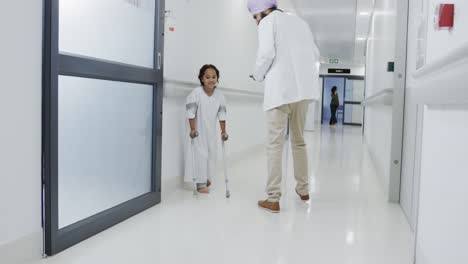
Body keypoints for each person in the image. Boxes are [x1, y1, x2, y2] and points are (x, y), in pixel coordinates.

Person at [247, 0, 321, 212]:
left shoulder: (268, 22)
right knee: (299, 141)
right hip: (302, 92)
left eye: (254, 16)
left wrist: (257, 74)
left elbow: (266, 53)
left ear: (262, 11)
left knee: (274, 145)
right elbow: (315, 55)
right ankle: (304, 189)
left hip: (280, 92)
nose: (255, 21)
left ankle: (273, 197)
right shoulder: (300, 23)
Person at [184, 64, 228, 193]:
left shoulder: (220, 95)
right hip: (199, 130)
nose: (211, 80)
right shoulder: (196, 93)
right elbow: (190, 113)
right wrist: (192, 129)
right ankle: (200, 183)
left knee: (211, 154)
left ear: (217, 79)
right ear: (202, 79)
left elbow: (222, 115)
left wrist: (223, 131)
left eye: (214, 77)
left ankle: (207, 177)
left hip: (211, 131)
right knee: (200, 155)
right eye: (207, 77)